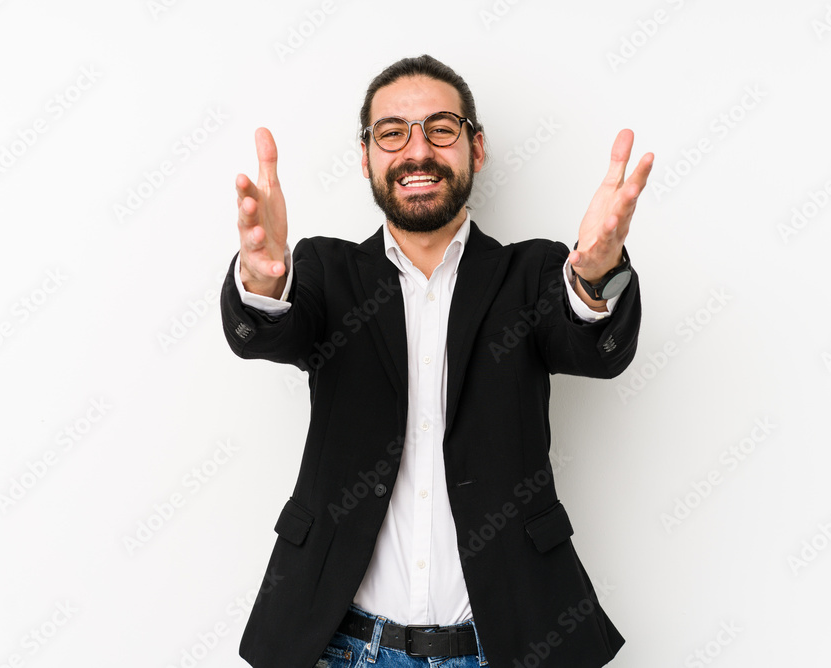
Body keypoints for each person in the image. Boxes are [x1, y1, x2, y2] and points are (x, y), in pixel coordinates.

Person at [220, 54, 654, 668]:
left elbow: (597, 350)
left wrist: (595, 276)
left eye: (441, 129)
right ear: (366, 156)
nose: (417, 151)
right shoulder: (325, 273)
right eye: (392, 133)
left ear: (477, 148)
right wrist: (263, 282)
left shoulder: (530, 274)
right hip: (343, 647)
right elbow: (261, 334)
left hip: (505, 645)